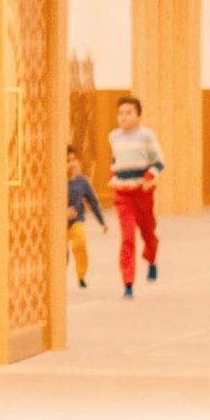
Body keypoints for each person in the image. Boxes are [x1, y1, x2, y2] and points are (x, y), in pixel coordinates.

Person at [107, 94, 164, 297]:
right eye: (120, 113)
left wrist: (150, 175)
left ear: (138, 116)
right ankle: (128, 282)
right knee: (128, 237)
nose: (124, 117)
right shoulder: (113, 136)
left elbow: (159, 162)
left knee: (148, 232)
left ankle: (151, 258)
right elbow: (117, 162)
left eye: (129, 113)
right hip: (123, 193)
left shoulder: (147, 136)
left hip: (142, 191)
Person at [66, 145, 106, 286]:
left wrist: (102, 222)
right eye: (68, 161)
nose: (72, 164)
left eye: (73, 160)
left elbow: (93, 202)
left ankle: (81, 275)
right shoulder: (56, 182)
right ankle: (60, 275)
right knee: (61, 251)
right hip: (59, 224)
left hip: (77, 221)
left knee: (80, 244)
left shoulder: (82, 181)